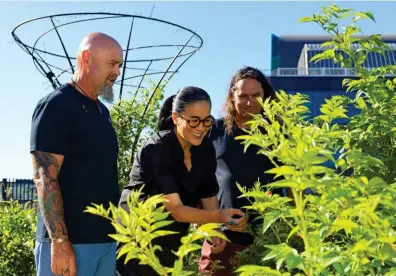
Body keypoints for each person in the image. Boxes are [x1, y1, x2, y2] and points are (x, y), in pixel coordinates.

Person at [117, 86, 248, 276]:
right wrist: (219, 217)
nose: (201, 128)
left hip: (171, 239)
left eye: (206, 121)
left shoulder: (205, 150)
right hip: (138, 240)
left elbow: (208, 196)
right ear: (176, 118)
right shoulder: (155, 150)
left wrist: (215, 231)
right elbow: (176, 210)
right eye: (194, 121)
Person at [30, 32, 123, 276]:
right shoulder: (57, 105)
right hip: (70, 245)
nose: (117, 72)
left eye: (120, 65)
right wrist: (60, 243)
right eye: (112, 64)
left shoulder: (102, 111)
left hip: (104, 241)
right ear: (86, 59)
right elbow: (45, 177)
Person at [199, 66, 284, 275]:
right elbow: (197, 179)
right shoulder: (213, 130)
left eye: (256, 95)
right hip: (221, 238)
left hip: (268, 240)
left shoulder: (278, 133)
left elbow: (292, 184)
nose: (249, 101)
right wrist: (204, 224)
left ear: (266, 97)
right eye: (243, 95)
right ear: (232, 96)